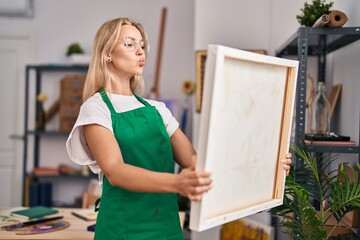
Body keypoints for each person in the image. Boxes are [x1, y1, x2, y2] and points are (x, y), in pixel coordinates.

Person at [66, 17, 292, 240]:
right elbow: (115, 171)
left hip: (168, 229)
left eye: (142, 45)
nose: (140, 51)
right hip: (122, 230)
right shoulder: (95, 108)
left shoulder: (158, 110)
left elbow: (196, 162)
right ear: (107, 53)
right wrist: (177, 183)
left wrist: (267, 165)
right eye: (129, 44)